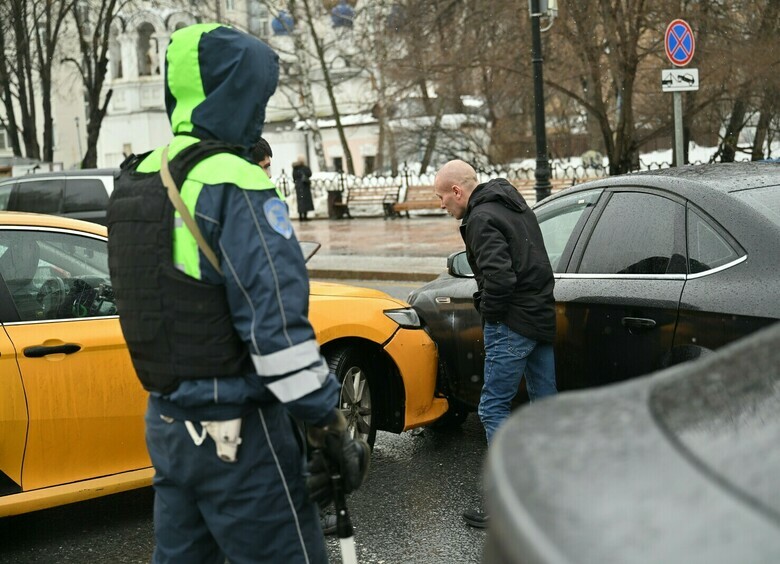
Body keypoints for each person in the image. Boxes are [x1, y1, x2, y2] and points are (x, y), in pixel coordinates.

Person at [106, 23, 368, 563]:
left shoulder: (140, 177)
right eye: (257, 96)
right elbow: (278, 336)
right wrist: (329, 423)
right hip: (240, 435)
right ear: (232, 93)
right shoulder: (236, 181)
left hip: (170, 424)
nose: (261, 112)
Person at [433, 159, 557, 529]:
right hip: (540, 317)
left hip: (513, 322)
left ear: (457, 191)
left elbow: (500, 279)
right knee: (545, 407)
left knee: (492, 408)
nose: (442, 205)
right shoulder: (512, 205)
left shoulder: (482, 218)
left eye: (441, 197)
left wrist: (490, 313)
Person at [292, 155, 314, 221]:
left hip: (299, 186)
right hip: (304, 185)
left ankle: (302, 216)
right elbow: (309, 173)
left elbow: (294, 176)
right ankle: (303, 216)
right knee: (304, 201)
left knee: (301, 201)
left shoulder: (296, 168)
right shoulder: (303, 167)